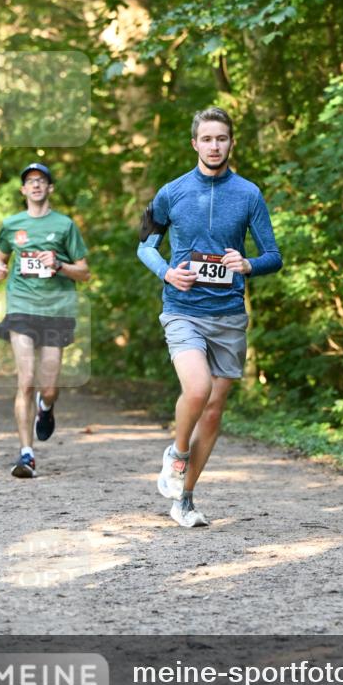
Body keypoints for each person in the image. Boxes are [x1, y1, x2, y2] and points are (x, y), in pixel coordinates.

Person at [137, 107, 282, 528]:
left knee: (215, 411)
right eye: (207, 139)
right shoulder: (171, 192)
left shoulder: (249, 194)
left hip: (229, 315)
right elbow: (145, 245)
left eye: (221, 138)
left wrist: (248, 264)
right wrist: (166, 271)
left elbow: (274, 256)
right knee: (197, 390)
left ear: (230, 143)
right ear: (195, 144)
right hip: (183, 309)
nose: (214, 146)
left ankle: (185, 498)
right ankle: (177, 454)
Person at [0, 162, 90, 478]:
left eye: (41, 180)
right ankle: (26, 455)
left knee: (47, 388)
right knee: (26, 381)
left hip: (56, 311)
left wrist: (59, 264)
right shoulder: (11, 225)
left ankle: (46, 408)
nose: (35, 185)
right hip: (21, 306)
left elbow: (85, 272)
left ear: (49, 189)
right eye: (30, 181)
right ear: (23, 190)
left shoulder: (64, 226)